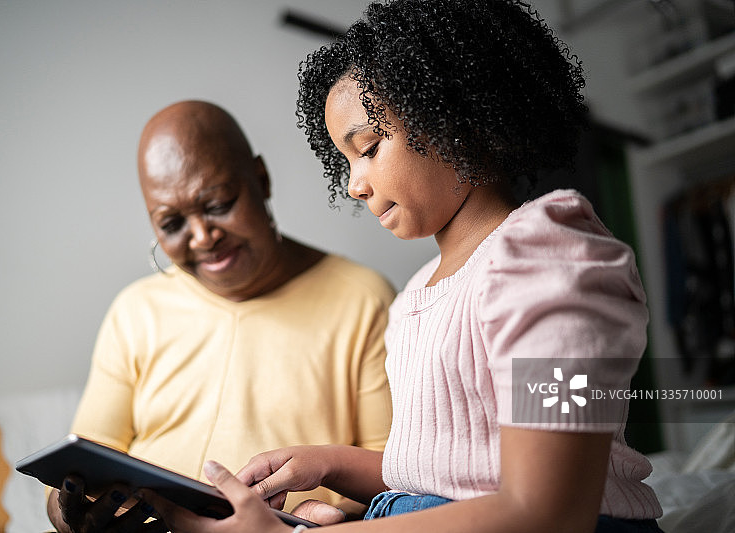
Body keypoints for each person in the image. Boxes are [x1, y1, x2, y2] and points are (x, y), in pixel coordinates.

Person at [138, 1, 665, 533]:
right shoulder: (418, 294)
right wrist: (332, 463)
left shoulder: (544, 257)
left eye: (368, 147)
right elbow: (448, 475)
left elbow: (548, 509)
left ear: (459, 119)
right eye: (344, 161)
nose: (353, 183)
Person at [46, 100, 397, 532]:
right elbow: (83, 461)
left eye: (217, 203)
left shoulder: (362, 299)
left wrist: (315, 524)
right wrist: (67, 514)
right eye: (171, 223)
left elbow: (392, 476)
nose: (203, 237)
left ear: (261, 180)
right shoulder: (135, 310)